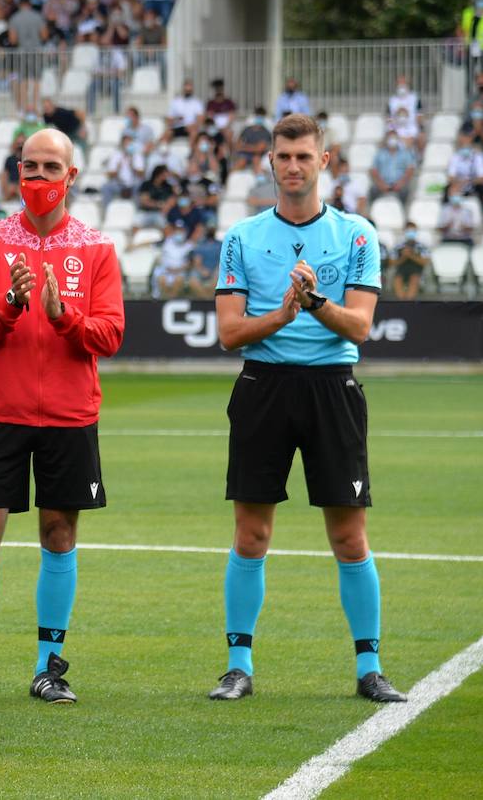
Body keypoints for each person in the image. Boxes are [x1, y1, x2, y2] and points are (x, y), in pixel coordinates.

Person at [0, 128, 124, 707]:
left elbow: (109, 335)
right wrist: (12, 303)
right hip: (0, 412)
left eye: (50, 168)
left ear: (71, 176)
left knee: (59, 534)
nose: (37, 179)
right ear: (16, 172)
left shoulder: (97, 247)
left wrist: (63, 316)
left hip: (69, 416)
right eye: (28, 167)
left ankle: (48, 668)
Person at [209, 113, 404, 705]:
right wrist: (284, 315)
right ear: (269, 162)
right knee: (252, 533)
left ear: (326, 162)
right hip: (263, 387)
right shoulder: (242, 236)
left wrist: (316, 300)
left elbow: (362, 326)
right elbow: (228, 333)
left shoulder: (358, 234)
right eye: (283, 156)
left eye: (303, 156)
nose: (292, 166)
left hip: (332, 390)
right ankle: (238, 666)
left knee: (349, 537)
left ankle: (369, 667)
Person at [389, 224, 430, 300]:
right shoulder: (398, 246)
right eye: (408, 231)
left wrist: (411, 255)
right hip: (401, 271)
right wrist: (403, 257)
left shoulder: (422, 247)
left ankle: (408, 303)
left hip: (417, 271)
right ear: (404, 232)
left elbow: (424, 262)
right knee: (397, 279)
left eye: (412, 231)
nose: (410, 233)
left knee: (414, 278)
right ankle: (402, 304)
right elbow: (392, 263)